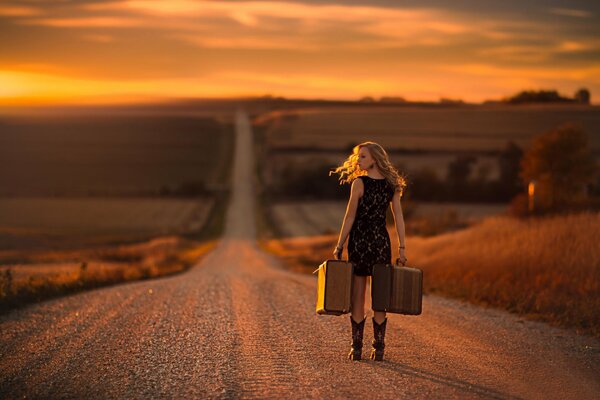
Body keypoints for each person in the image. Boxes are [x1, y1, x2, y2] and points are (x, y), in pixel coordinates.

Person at [329, 141, 407, 361]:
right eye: (358, 156)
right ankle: (377, 347)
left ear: (375, 159)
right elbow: (398, 217)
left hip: (362, 242)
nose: (358, 160)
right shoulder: (390, 185)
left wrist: (340, 244)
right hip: (379, 242)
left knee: (360, 296)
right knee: (376, 296)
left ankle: (357, 347)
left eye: (363, 156)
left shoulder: (360, 183)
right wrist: (402, 247)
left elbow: (350, 217)